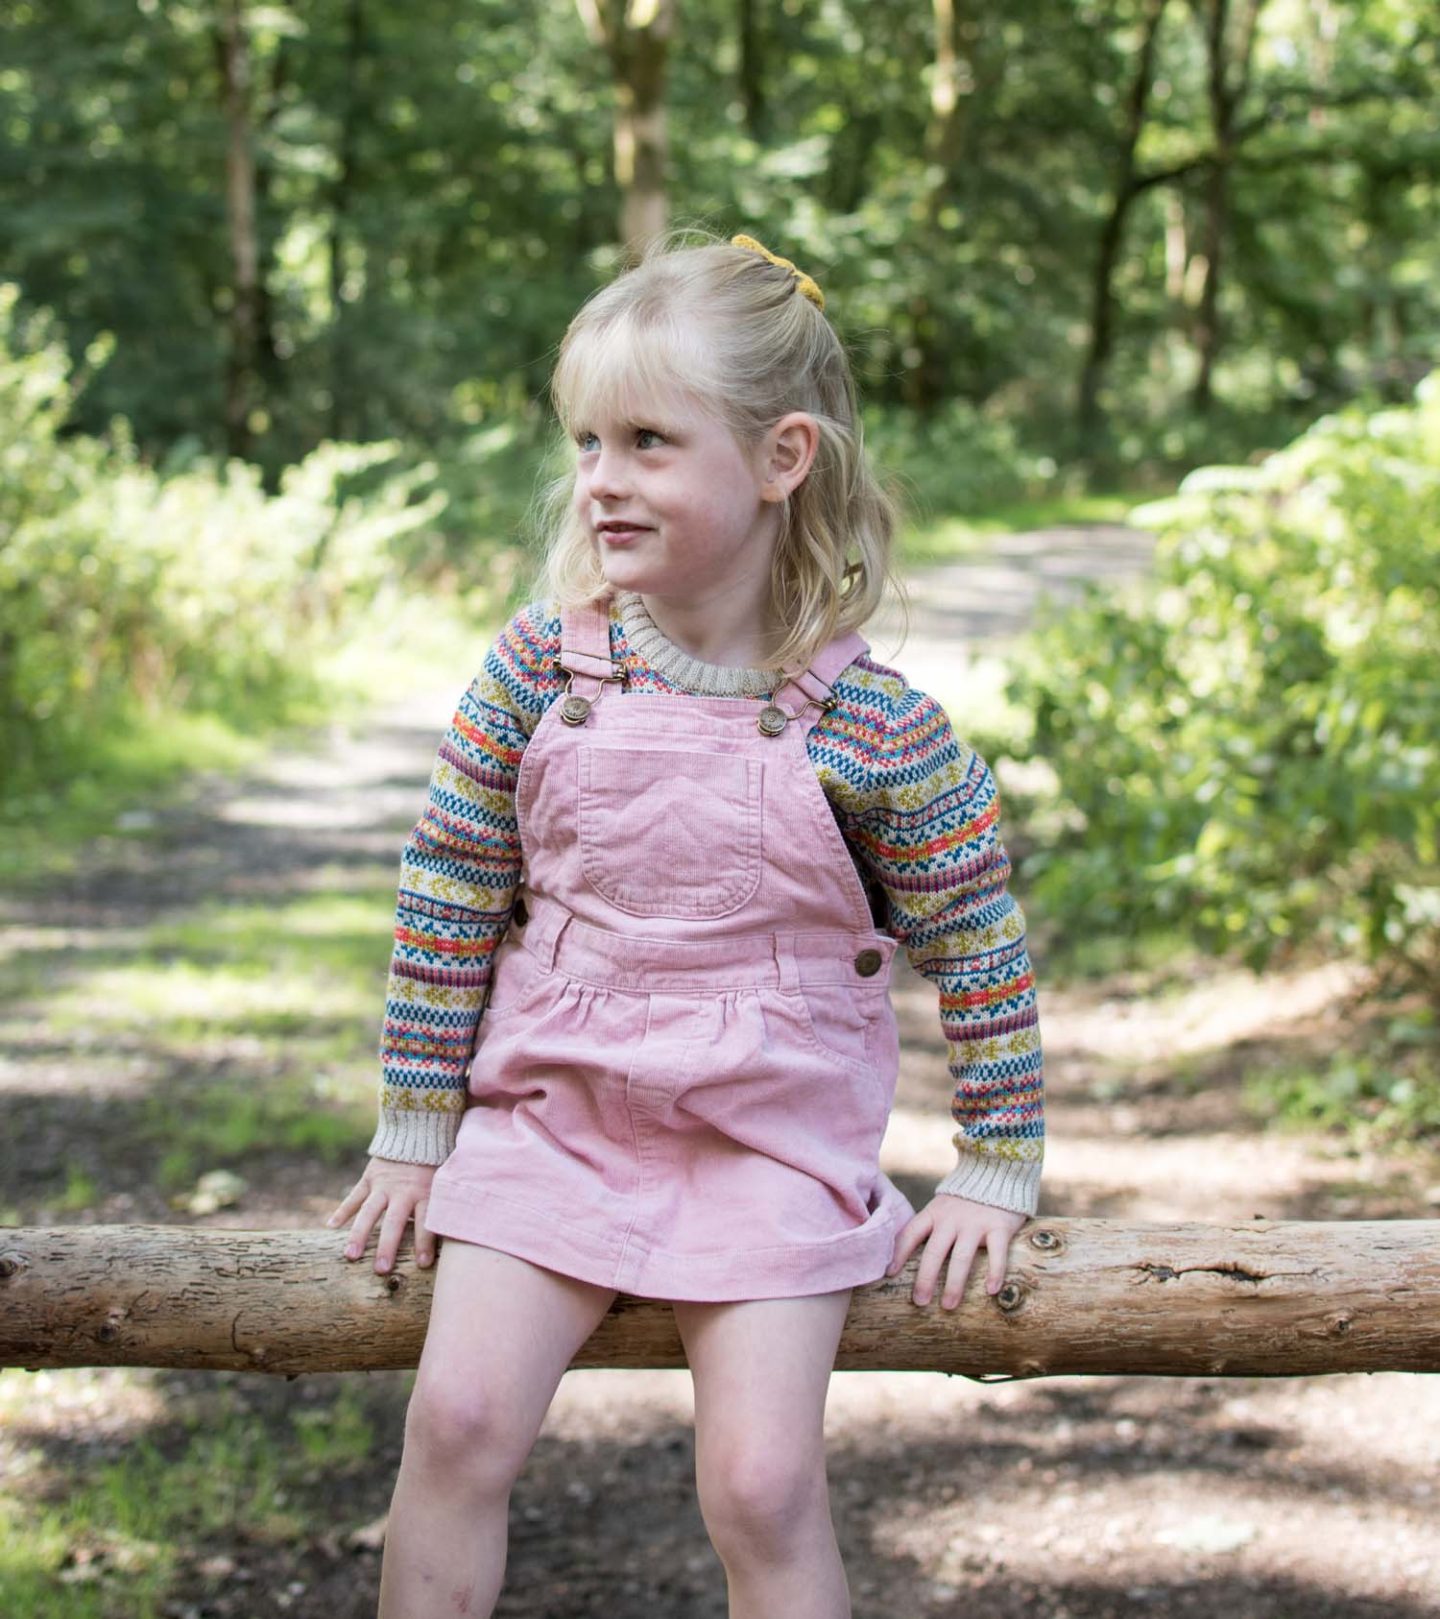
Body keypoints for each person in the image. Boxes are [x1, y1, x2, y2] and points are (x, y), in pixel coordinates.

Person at [324, 228, 1046, 1619]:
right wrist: (416, 1125)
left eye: (650, 441)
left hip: (771, 1135)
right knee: (458, 1426)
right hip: (553, 1115)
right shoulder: (543, 669)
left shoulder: (876, 728)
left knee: (760, 1487)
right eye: (586, 441)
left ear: (782, 458)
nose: (600, 480)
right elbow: (448, 889)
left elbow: (979, 940)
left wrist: (995, 1165)